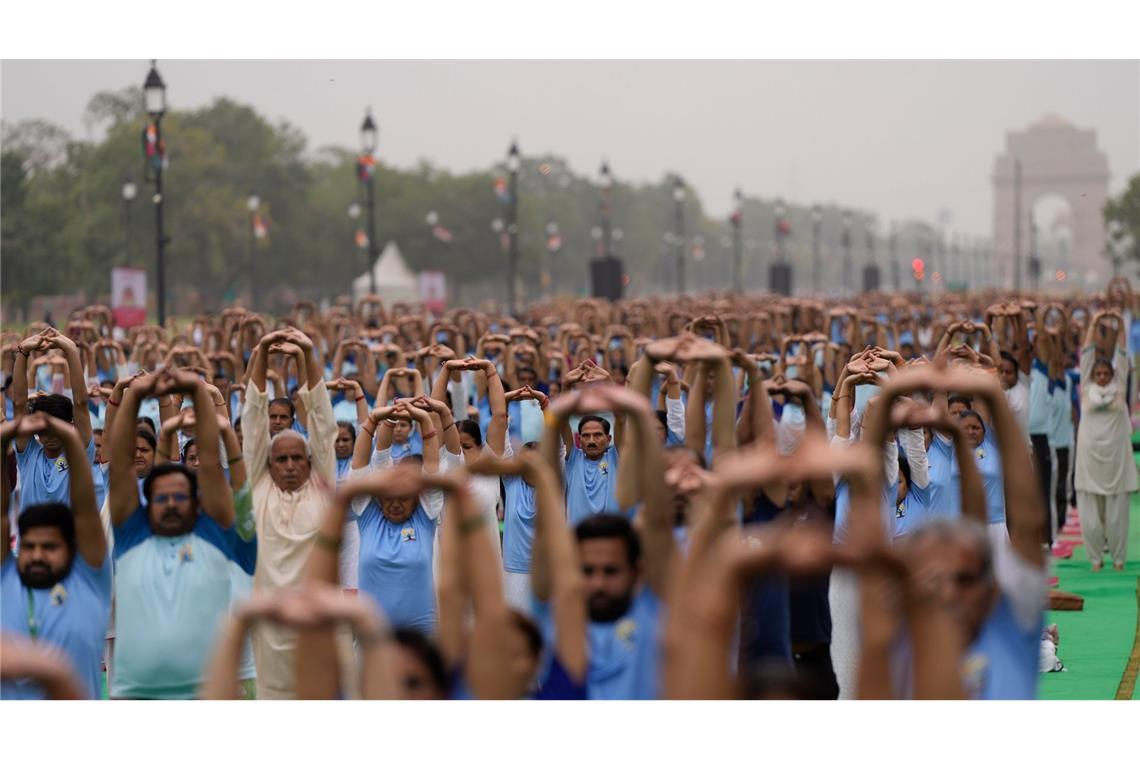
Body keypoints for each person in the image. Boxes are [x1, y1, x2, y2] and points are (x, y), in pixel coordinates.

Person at [105, 369, 240, 699]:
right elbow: (116, 459)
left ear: (197, 504)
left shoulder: (212, 535)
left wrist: (198, 392)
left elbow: (212, 461)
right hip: (139, 692)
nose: (170, 503)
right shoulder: (134, 534)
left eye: (180, 497)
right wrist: (132, 394)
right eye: (161, 498)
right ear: (148, 505)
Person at [241, 327, 341, 699]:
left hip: (316, 628)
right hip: (268, 631)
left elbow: (322, 421)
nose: (288, 466)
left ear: (309, 462)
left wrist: (309, 353)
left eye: (297, 458)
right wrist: (263, 349)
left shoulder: (322, 486)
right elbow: (252, 421)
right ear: (268, 464)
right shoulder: (259, 487)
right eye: (280, 459)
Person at [1, 413, 110, 700]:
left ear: (71, 548)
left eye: (49, 547)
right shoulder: (6, 579)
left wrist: (69, 436)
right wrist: (2, 440)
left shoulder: (90, 580)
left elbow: (86, 508)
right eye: (29, 546)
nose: (37, 555)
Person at [1074, 310, 1136, 571]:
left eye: (1105, 374)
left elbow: (1122, 357)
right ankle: (1096, 558)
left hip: (1117, 458)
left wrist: (1120, 324)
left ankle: (1119, 558)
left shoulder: (1120, 387)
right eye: (1098, 374)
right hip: (1089, 458)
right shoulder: (1086, 389)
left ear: (1111, 375)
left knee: (1117, 514)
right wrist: (1095, 322)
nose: (1101, 377)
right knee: (1089, 516)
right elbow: (1086, 354)